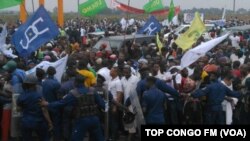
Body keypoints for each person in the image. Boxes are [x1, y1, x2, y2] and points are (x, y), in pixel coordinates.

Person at [39, 74, 105, 141]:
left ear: (75, 82)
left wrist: (48, 104)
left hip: (81, 121)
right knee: (99, 138)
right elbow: (102, 104)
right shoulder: (92, 91)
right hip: (94, 120)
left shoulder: (74, 93)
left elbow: (61, 103)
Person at [17, 75, 52, 141]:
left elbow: (18, 109)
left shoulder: (21, 96)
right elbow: (44, 110)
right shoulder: (39, 96)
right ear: (35, 84)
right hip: (39, 122)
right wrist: (50, 122)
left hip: (26, 122)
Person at [42, 66, 61, 140]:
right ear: (55, 73)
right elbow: (58, 96)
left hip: (45, 106)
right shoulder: (56, 83)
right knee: (56, 125)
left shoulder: (43, 83)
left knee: (47, 124)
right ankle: (57, 138)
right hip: (54, 106)